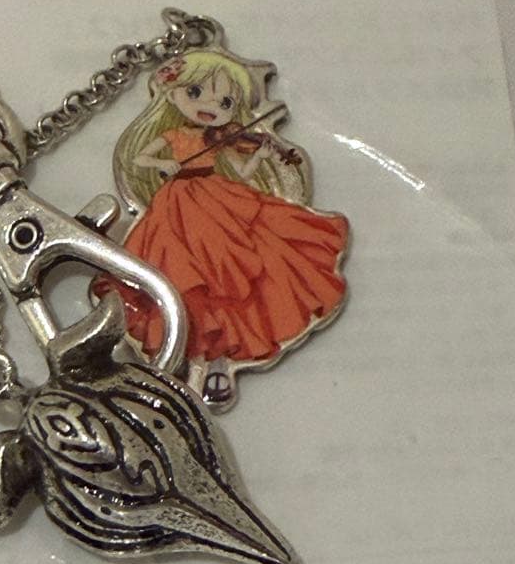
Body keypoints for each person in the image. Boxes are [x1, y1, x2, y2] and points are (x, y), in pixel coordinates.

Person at [93, 49, 349, 408]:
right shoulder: (174, 134)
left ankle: (218, 363)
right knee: (184, 271)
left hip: (219, 198)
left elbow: (243, 173)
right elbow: (141, 157)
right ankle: (189, 359)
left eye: (226, 102)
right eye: (195, 92)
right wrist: (164, 164)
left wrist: (259, 154)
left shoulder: (221, 138)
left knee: (231, 273)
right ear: (173, 94)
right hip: (178, 204)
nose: (209, 106)